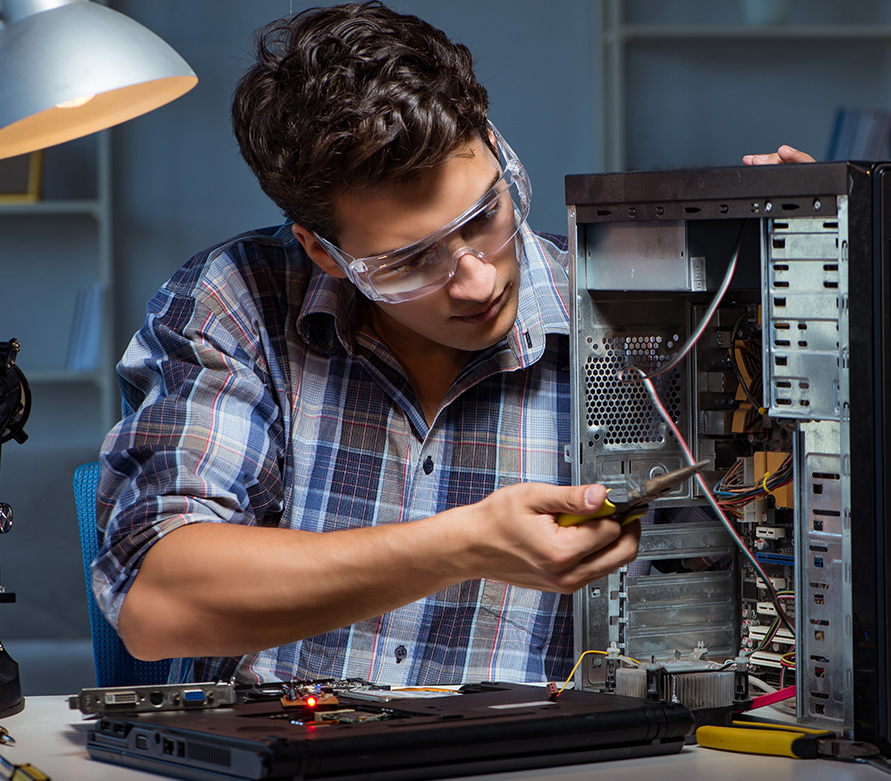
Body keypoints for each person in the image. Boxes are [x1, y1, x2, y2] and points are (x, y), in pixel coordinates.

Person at [92, 1, 812, 688]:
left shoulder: (648, 324)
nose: (474, 280)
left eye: (484, 215)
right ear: (325, 252)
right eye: (411, 261)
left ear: (497, 149)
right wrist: (462, 545)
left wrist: (814, 302)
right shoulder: (237, 300)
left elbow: (776, 554)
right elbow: (158, 604)